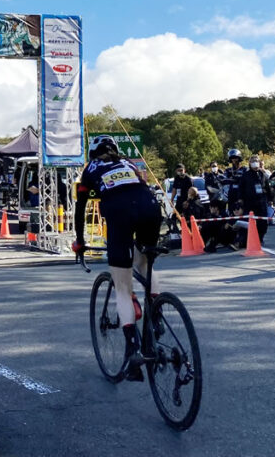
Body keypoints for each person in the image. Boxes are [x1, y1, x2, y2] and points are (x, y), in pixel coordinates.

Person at [72, 135, 162, 382]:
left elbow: (80, 209)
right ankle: (157, 314)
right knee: (143, 263)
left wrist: (80, 241)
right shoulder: (128, 163)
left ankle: (133, 350)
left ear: (93, 154)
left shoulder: (91, 168)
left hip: (120, 212)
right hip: (150, 207)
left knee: (122, 287)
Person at [237, 155, 272, 244]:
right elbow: (241, 188)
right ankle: (248, 239)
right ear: (249, 163)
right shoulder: (246, 175)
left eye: (256, 161)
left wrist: (270, 199)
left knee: (263, 222)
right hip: (249, 202)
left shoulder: (262, 174)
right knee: (250, 221)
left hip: (261, 201)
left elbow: (267, 188)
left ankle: (260, 237)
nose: (255, 163)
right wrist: (240, 199)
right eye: (252, 161)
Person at [223, 149, 245, 213]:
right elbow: (225, 180)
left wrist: (236, 179)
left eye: (236, 158)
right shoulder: (228, 170)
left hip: (241, 194)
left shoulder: (244, 169)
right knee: (231, 211)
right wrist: (234, 179)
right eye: (232, 158)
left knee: (242, 211)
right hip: (231, 194)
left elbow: (245, 180)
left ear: (239, 158)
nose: (234, 160)